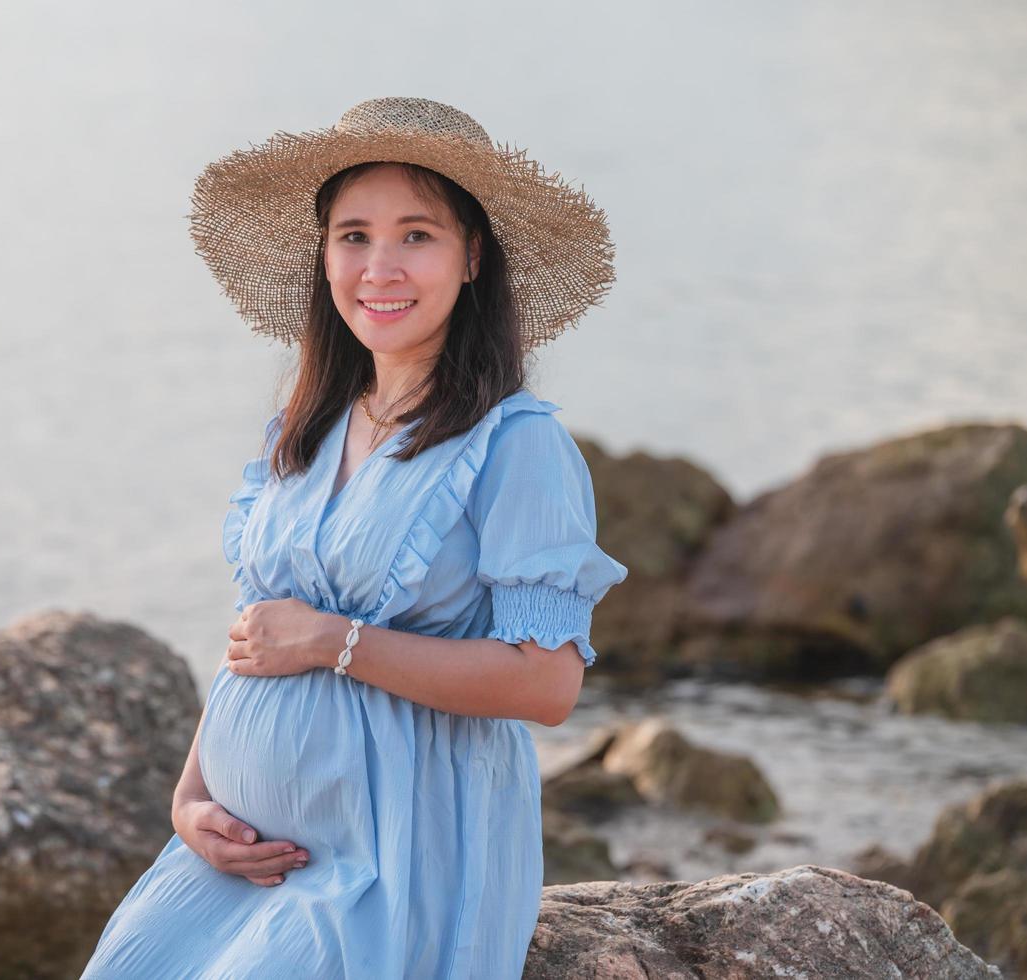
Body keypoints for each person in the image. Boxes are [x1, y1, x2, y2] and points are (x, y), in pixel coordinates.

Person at [79, 96, 629, 979]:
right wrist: (191, 801)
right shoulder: (302, 430)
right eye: (352, 235)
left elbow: (547, 684)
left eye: (416, 234)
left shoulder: (516, 443)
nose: (380, 267)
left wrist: (337, 643)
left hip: (399, 849)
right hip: (242, 856)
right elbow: (258, 635)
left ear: (472, 256)